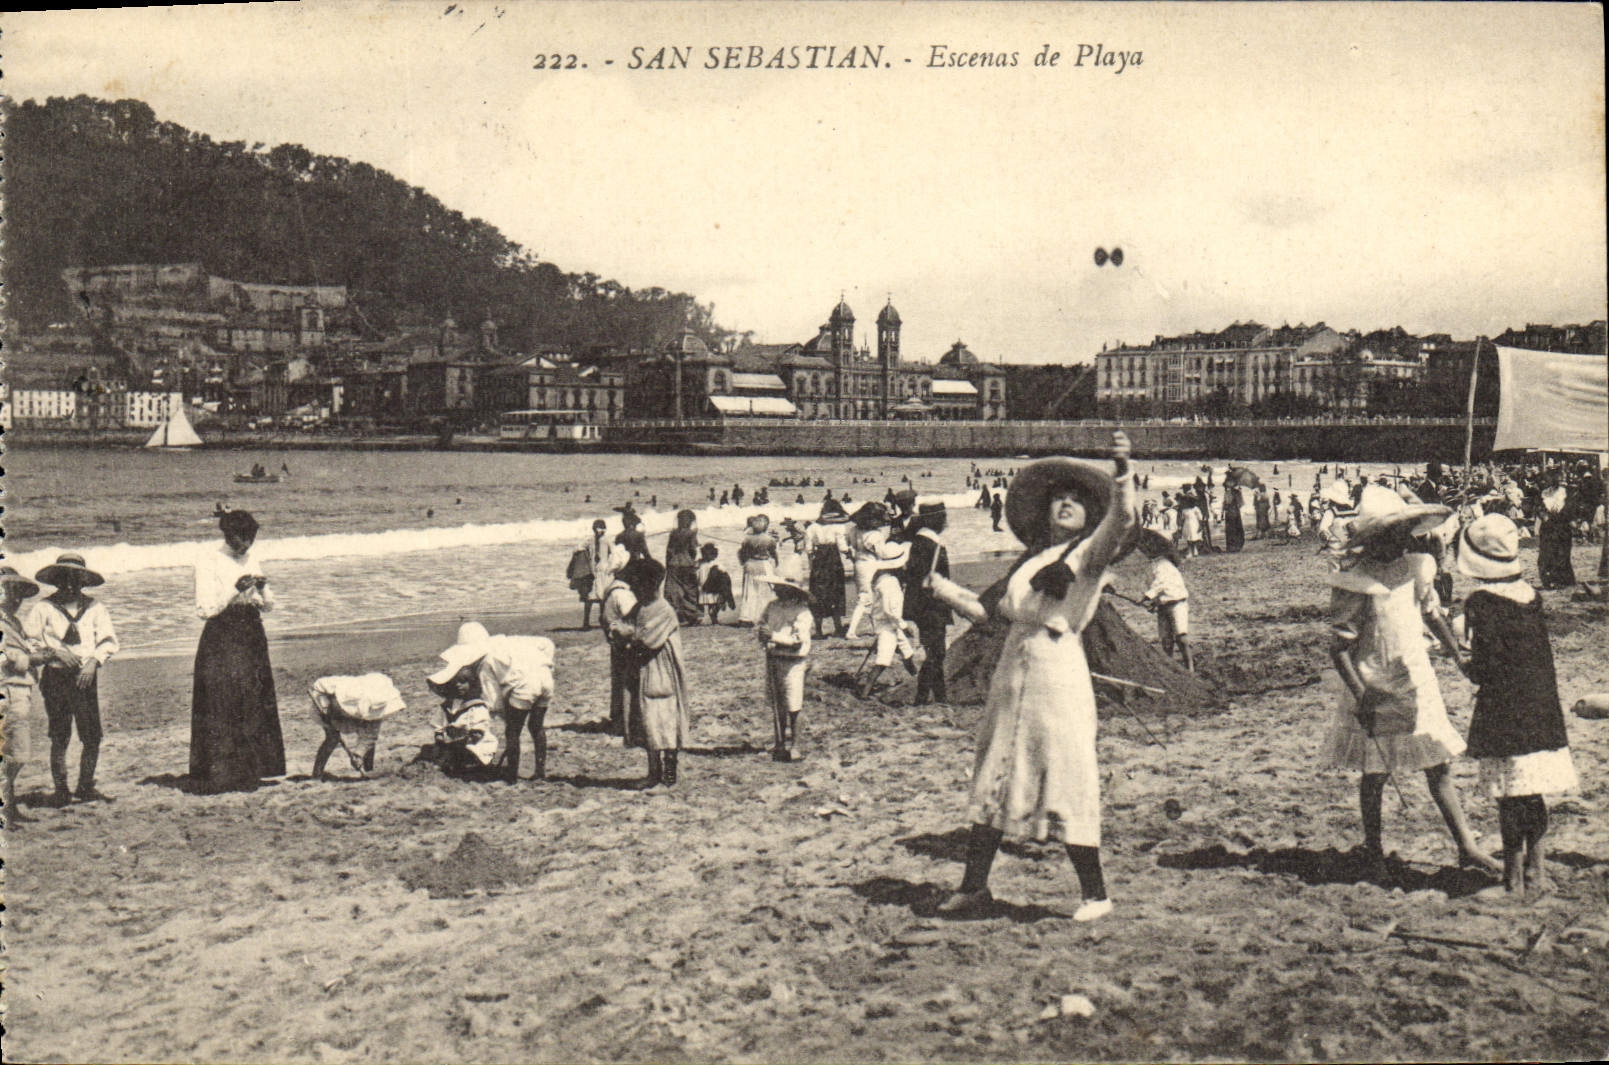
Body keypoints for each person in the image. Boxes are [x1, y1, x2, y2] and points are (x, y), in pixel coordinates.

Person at [931, 431, 1138, 920]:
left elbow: (1123, 520)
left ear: (1090, 515)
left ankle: (1095, 894)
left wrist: (1123, 472)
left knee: (1065, 774)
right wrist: (939, 588)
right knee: (996, 770)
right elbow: (989, 613)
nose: (1065, 504)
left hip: (1057, 671)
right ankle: (975, 887)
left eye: (1075, 501)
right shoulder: (1030, 564)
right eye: (1058, 499)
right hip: (1013, 669)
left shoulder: (1089, 557)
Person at [1322, 486, 1501, 878]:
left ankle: (1467, 847)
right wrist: (1361, 695)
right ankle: (1373, 850)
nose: (1401, 541)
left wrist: (1458, 656)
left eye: (1404, 533)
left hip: (1417, 678)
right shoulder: (1356, 582)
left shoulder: (1418, 567)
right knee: (1376, 773)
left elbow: (1432, 614)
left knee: (1437, 764)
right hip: (1375, 685)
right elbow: (1338, 650)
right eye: (1391, 534)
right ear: (1373, 539)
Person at [1456, 514, 1578, 896]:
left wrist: (1464, 663)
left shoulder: (1481, 602)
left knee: (1510, 797)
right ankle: (1537, 872)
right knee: (1534, 791)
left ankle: (1512, 880)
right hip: (1540, 707)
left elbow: (1485, 668)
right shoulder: (1531, 596)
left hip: (1505, 713)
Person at [189, 510, 282, 794]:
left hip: (251, 631)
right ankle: (221, 771)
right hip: (222, 634)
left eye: (251, 539)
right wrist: (233, 590)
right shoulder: (208, 560)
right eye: (243, 540)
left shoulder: (251, 557)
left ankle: (252, 770)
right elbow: (205, 609)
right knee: (223, 699)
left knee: (253, 698)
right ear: (229, 536)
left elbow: (268, 607)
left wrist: (264, 590)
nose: (247, 546)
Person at [28, 553, 121, 805]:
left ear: (83, 581)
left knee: (91, 734)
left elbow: (108, 641)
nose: (69, 585)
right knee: (60, 734)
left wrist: (93, 662)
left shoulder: (95, 608)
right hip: (55, 676)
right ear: (56, 580)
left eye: (75, 579)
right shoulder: (43, 608)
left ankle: (85, 786)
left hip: (84, 677)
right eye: (64, 579)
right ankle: (61, 789)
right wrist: (54, 652)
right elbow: (31, 641)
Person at [428, 621, 556, 784]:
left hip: (524, 687)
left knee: (512, 732)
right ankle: (540, 771)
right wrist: (547, 666)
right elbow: (547, 644)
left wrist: (504, 717)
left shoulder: (485, 663)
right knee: (536, 727)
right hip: (545, 678)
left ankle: (511, 776)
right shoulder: (509, 641)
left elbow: (494, 701)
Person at [619, 559, 691, 787]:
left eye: (636, 585)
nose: (633, 589)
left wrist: (627, 635)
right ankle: (653, 772)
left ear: (649, 585)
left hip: (660, 670)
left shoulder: (663, 610)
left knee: (664, 718)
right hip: (643, 667)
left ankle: (668, 774)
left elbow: (645, 640)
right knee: (647, 720)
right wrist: (623, 631)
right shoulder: (641, 607)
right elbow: (623, 625)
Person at [2, 566, 49, 826]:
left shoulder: (12, 621)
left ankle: (8, 806)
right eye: (9, 592)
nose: (15, 598)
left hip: (18, 689)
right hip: (8, 689)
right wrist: (30, 658)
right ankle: (5, 809)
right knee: (15, 753)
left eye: (18, 593)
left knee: (13, 752)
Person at [856, 510, 920, 698]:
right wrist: (904, 625)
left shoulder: (881, 579)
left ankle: (915, 676)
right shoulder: (889, 583)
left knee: (907, 653)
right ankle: (865, 691)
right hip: (888, 626)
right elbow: (890, 610)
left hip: (887, 624)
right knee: (883, 660)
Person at [756, 574, 814, 762]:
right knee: (777, 701)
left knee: (793, 703)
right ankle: (780, 742)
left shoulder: (802, 612)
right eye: (777, 588)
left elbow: (798, 641)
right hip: (774, 658)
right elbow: (762, 625)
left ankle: (795, 744)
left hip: (793, 662)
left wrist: (773, 636)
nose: (777, 591)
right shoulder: (772, 607)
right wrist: (763, 636)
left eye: (782, 588)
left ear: (793, 591)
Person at [309, 673, 407, 779]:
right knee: (332, 738)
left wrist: (358, 756)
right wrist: (324, 706)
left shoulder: (378, 707)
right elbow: (317, 687)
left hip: (349, 713)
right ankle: (317, 774)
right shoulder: (346, 689)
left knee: (368, 741)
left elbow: (369, 737)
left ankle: (368, 770)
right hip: (329, 712)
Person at [902, 502, 953, 704]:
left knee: (935, 651)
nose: (946, 521)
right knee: (936, 652)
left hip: (924, 605)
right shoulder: (929, 545)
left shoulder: (921, 542)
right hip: (931, 606)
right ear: (935, 520)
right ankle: (922, 697)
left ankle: (940, 696)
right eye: (943, 517)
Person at [1137, 529, 1193, 672]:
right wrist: (1152, 603)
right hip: (1163, 606)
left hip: (1176, 603)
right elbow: (1154, 587)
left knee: (1181, 637)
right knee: (1166, 640)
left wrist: (1147, 597)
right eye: (1144, 547)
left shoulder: (1164, 564)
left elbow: (1161, 583)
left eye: (1149, 546)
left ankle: (1190, 667)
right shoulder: (1152, 566)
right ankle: (1170, 666)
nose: (1146, 549)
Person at [427, 665, 498, 773]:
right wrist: (439, 735)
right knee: (433, 751)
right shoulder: (448, 705)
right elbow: (438, 724)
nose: (458, 686)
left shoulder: (477, 706)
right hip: (452, 742)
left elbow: (479, 730)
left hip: (473, 742)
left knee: (468, 752)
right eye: (455, 683)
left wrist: (464, 737)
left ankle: (466, 763)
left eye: (463, 682)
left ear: (472, 684)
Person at [804, 498, 853, 637]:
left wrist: (811, 565)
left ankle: (818, 630)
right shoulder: (838, 527)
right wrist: (851, 554)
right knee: (835, 592)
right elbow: (842, 547)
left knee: (818, 593)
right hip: (833, 559)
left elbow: (808, 549)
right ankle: (837, 627)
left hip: (819, 560)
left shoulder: (812, 527)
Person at [601, 568, 639, 738]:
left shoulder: (610, 592)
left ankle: (619, 721)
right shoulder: (623, 595)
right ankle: (629, 724)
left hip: (616, 643)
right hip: (626, 643)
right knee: (629, 684)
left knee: (619, 682)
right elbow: (634, 619)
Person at [737, 514, 779, 625]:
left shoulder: (747, 539)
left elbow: (742, 552)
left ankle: (746, 618)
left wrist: (743, 562)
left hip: (750, 564)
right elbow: (773, 552)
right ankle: (763, 615)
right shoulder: (769, 539)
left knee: (749, 591)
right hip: (763, 564)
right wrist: (777, 562)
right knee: (764, 592)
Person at [664, 509, 703, 625]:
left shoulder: (673, 533)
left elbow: (669, 550)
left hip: (673, 563)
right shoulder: (691, 534)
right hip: (686, 563)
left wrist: (667, 564)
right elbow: (693, 549)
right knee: (689, 590)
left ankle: (677, 615)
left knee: (674, 590)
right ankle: (691, 615)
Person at [1535, 482, 1576, 589]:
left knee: (1562, 553)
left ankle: (1563, 580)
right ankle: (1549, 580)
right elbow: (1537, 507)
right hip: (1548, 528)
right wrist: (1544, 516)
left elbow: (1571, 508)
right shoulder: (1543, 494)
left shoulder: (1565, 493)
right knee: (1547, 553)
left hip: (1562, 528)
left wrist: (1569, 519)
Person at [576, 519, 612, 630]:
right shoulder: (606, 540)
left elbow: (578, 548)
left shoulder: (591, 540)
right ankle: (601, 621)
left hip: (594, 572)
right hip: (601, 571)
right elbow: (614, 552)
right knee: (601, 597)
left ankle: (587, 622)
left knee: (591, 598)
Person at [697, 543, 735, 624]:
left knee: (701, 604)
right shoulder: (716, 564)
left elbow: (696, 576)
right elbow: (724, 572)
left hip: (702, 588)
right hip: (711, 588)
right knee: (714, 603)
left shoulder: (699, 564)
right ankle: (713, 617)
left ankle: (700, 618)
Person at [1223, 484, 1246, 553]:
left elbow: (1225, 505)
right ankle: (1237, 546)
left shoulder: (1228, 493)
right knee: (1237, 530)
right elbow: (1241, 504)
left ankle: (1231, 547)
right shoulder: (1236, 492)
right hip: (1235, 513)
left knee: (1231, 530)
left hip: (1230, 514)